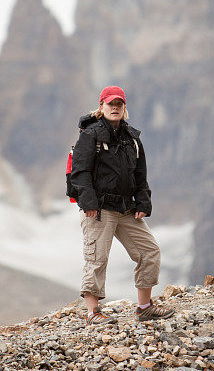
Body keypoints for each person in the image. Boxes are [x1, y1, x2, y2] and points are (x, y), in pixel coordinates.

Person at [70, 84, 174, 326]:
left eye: (119, 104)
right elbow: (80, 172)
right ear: (101, 106)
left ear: (124, 108)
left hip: (127, 209)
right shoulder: (90, 135)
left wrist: (143, 202)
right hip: (99, 209)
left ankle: (145, 308)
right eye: (110, 104)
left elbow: (140, 174)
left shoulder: (132, 138)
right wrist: (89, 203)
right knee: (97, 258)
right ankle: (93, 312)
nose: (114, 108)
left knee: (149, 251)